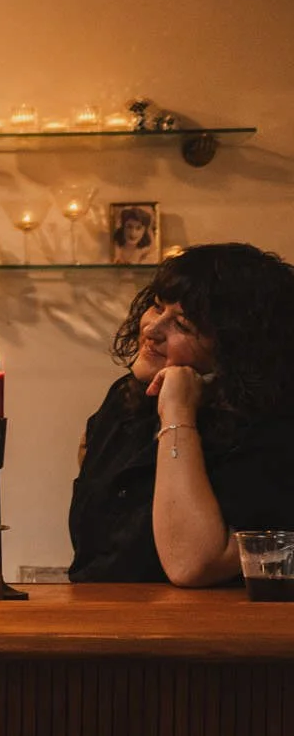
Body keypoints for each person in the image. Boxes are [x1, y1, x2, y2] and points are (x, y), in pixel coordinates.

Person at [68, 242, 294, 585]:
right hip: (100, 623)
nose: (151, 329)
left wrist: (178, 412)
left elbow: (192, 564)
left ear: (235, 349)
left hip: (204, 634)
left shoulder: (271, 434)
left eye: (183, 325)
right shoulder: (125, 399)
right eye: (156, 307)